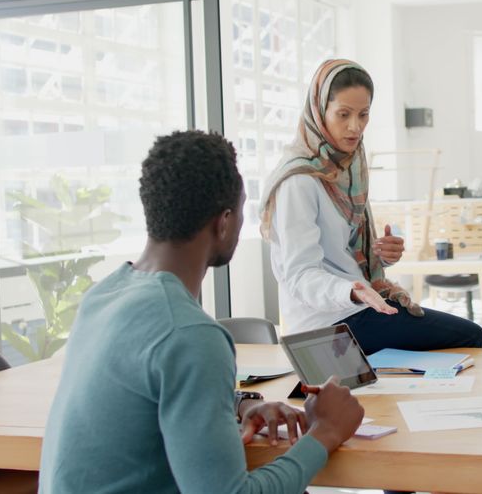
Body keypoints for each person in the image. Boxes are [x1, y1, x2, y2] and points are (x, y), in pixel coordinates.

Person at [40, 130, 364, 493]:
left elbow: (141, 401)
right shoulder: (190, 334)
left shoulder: (103, 296)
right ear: (223, 222)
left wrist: (234, 406)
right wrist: (325, 433)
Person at [260, 59, 482, 354]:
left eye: (363, 114)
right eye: (343, 114)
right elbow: (300, 275)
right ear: (318, 110)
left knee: (460, 340)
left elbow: (345, 251)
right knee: (471, 337)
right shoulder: (299, 180)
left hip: (356, 309)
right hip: (329, 324)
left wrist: (382, 255)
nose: (355, 127)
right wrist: (352, 291)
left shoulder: (347, 169)